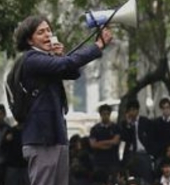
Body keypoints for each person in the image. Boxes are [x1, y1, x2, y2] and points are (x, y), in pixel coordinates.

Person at [14, 15, 113, 185]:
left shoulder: (46, 59)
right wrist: (98, 45)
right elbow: (66, 65)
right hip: (42, 139)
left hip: (56, 136)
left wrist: (59, 56)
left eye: (48, 30)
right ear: (30, 40)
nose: (47, 35)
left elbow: (72, 72)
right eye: (40, 32)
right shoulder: (31, 59)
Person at [121, 99, 157, 185]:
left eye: (134, 110)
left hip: (144, 153)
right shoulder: (125, 124)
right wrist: (129, 125)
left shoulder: (145, 122)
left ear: (137, 110)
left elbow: (152, 138)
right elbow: (125, 139)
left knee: (146, 178)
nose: (132, 112)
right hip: (131, 154)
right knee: (131, 178)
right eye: (130, 110)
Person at [89, 104, 121, 181]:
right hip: (99, 161)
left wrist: (100, 143)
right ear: (100, 115)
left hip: (113, 161)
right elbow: (93, 144)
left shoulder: (116, 127)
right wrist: (109, 143)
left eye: (107, 114)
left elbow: (115, 141)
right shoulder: (95, 129)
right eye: (104, 114)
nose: (105, 116)